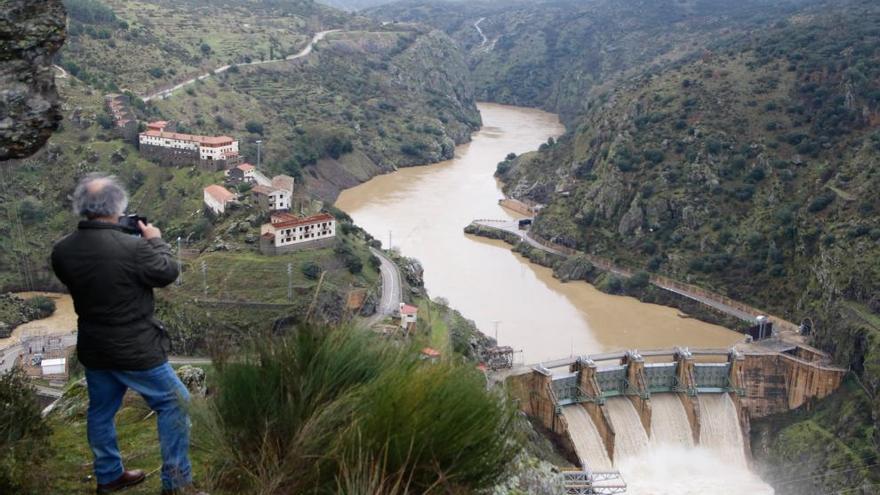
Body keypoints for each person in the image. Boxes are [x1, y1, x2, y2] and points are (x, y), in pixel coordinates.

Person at [51, 173, 201, 495]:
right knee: (176, 404)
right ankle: (176, 484)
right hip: (136, 349)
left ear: (83, 208)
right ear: (118, 208)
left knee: (101, 412)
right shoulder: (134, 248)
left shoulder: (62, 251)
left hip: (94, 347)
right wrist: (155, 240)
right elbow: (167, 272)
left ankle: (109, 476)